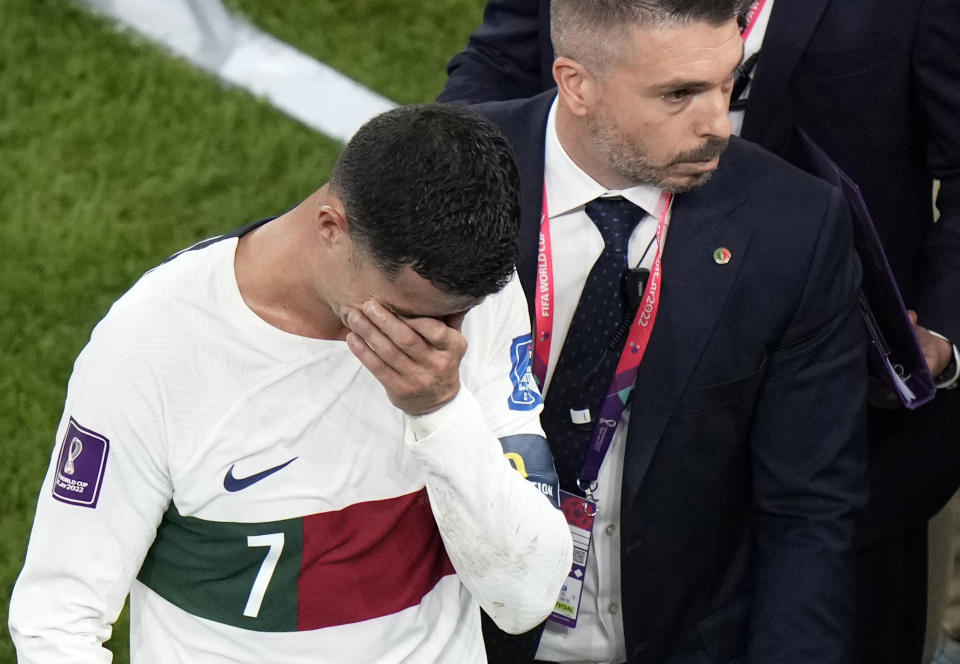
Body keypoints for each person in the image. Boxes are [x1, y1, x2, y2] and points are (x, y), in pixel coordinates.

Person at [439, 0, 960, 661]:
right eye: (681, 93)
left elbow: (804, 517)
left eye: (727, 84)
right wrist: (444, 177)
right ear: (575, 83)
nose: (719, 124)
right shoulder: (468, 200)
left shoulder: (794, 229)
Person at [8, 104, 573, 664]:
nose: (441, 341)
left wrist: (441, 411)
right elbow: (58, 618)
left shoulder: (472, 305)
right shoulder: (155, 344)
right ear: (332, 228)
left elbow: (526, 598)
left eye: (458, 315)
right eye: (406, 312)